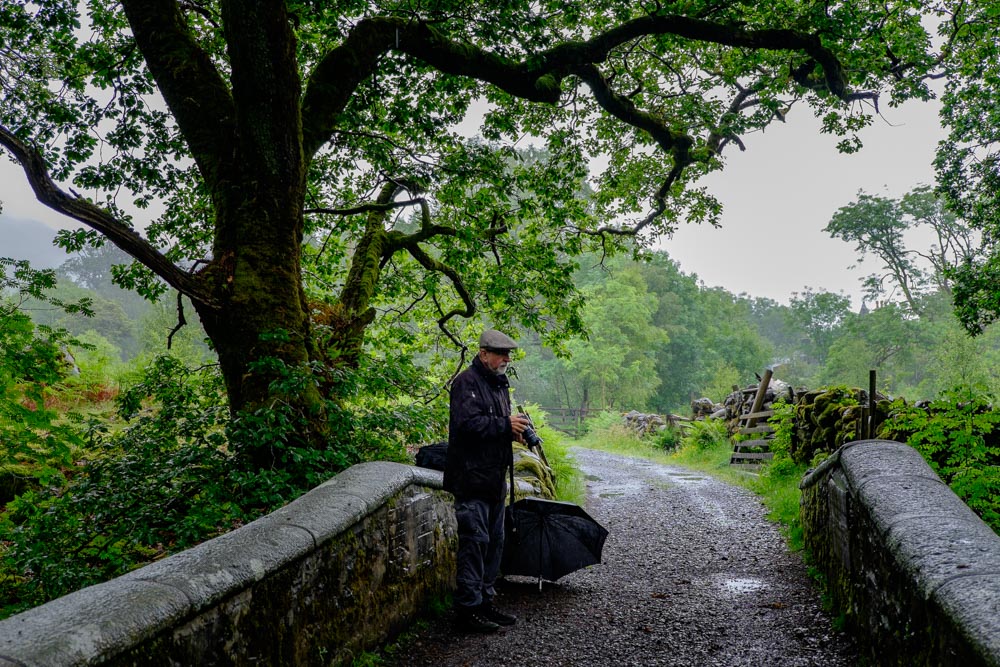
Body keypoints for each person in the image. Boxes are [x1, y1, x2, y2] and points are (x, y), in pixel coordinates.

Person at [443, 328, 531, 633]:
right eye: (501, 354)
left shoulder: (498, 384)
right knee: (474, 544)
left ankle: (485, 603)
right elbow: (467, 426)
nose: (506, 359)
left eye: (507, 355)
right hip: (471, 479)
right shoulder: (466, 383)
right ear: (484, 354)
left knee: (494, 545)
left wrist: (514, 429)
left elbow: (493, 427)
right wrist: (503, 424)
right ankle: (467, 611)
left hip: (494, 479)